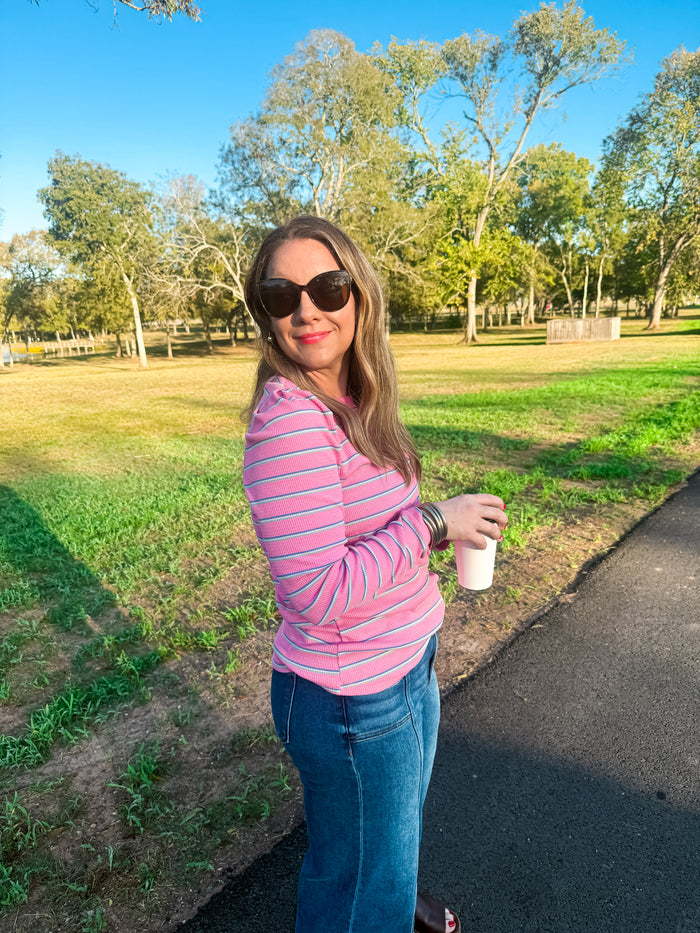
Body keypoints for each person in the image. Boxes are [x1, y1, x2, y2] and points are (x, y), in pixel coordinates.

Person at [242, 216, 507, 933]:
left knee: (380, 852)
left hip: (403, 665)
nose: (307, 309)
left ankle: (392, 898)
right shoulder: (291, 423)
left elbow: (373, 526)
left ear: (359, 295)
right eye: (281, 294)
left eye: (328, 287)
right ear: (264, 312)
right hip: (352, 697)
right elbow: (318, 594)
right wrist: (430, 524)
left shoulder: (355, 400)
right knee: (357, 879)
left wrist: (430, 532)